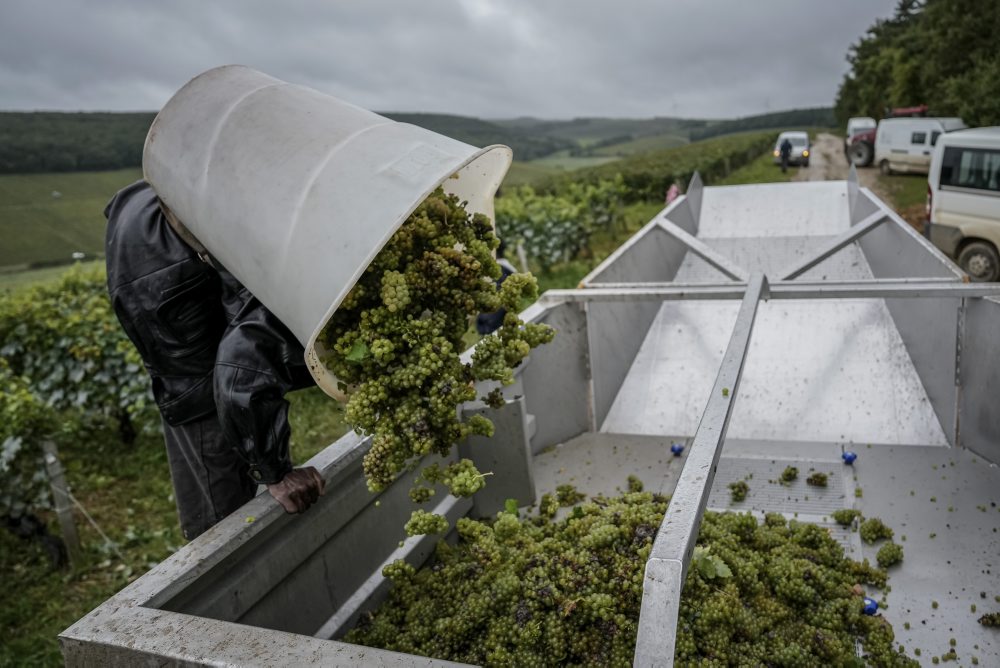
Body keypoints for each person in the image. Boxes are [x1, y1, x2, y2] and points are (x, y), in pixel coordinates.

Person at [104, 181, 325, 540]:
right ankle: (218, 557)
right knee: (204, 412)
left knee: (208, 393)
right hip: (163, 274)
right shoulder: (295, 268)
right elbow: (242, 370)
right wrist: (276, 472)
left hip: (146, 211)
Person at [476, 240, 518, 336]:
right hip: (502, 324)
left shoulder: (498, 272)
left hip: (492, 327)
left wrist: (486, 326)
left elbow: (497, 301)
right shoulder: (510, 272)